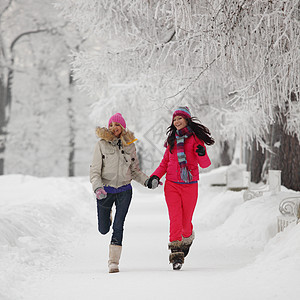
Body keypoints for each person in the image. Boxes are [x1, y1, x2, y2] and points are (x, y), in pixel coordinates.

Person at [146, 106, 214, 270]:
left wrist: (201, 152)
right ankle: (176, 255)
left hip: (190, 185)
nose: (176, 122)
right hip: (171, 185)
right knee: (175, 219)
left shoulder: (196, 139)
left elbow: (205, 164)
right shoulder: (172, 141)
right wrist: (155, 176)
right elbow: (164, 163)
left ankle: (188, 238)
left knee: (185, 223)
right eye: (174, 119)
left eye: (179, 119)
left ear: (187, 120)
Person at [90, 113, 157, 273]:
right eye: (111, 125)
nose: (114, 128)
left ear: (122, 127)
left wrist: (148, 181)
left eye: (117, 125)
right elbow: (94, 171)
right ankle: (108, 216)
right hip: (105, 191)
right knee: (103, 229)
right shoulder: (101, 145)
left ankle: (113, 262)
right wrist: (97, 188)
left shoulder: (130, 145)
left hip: (124, 191)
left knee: (119, 225)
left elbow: (135, 171)